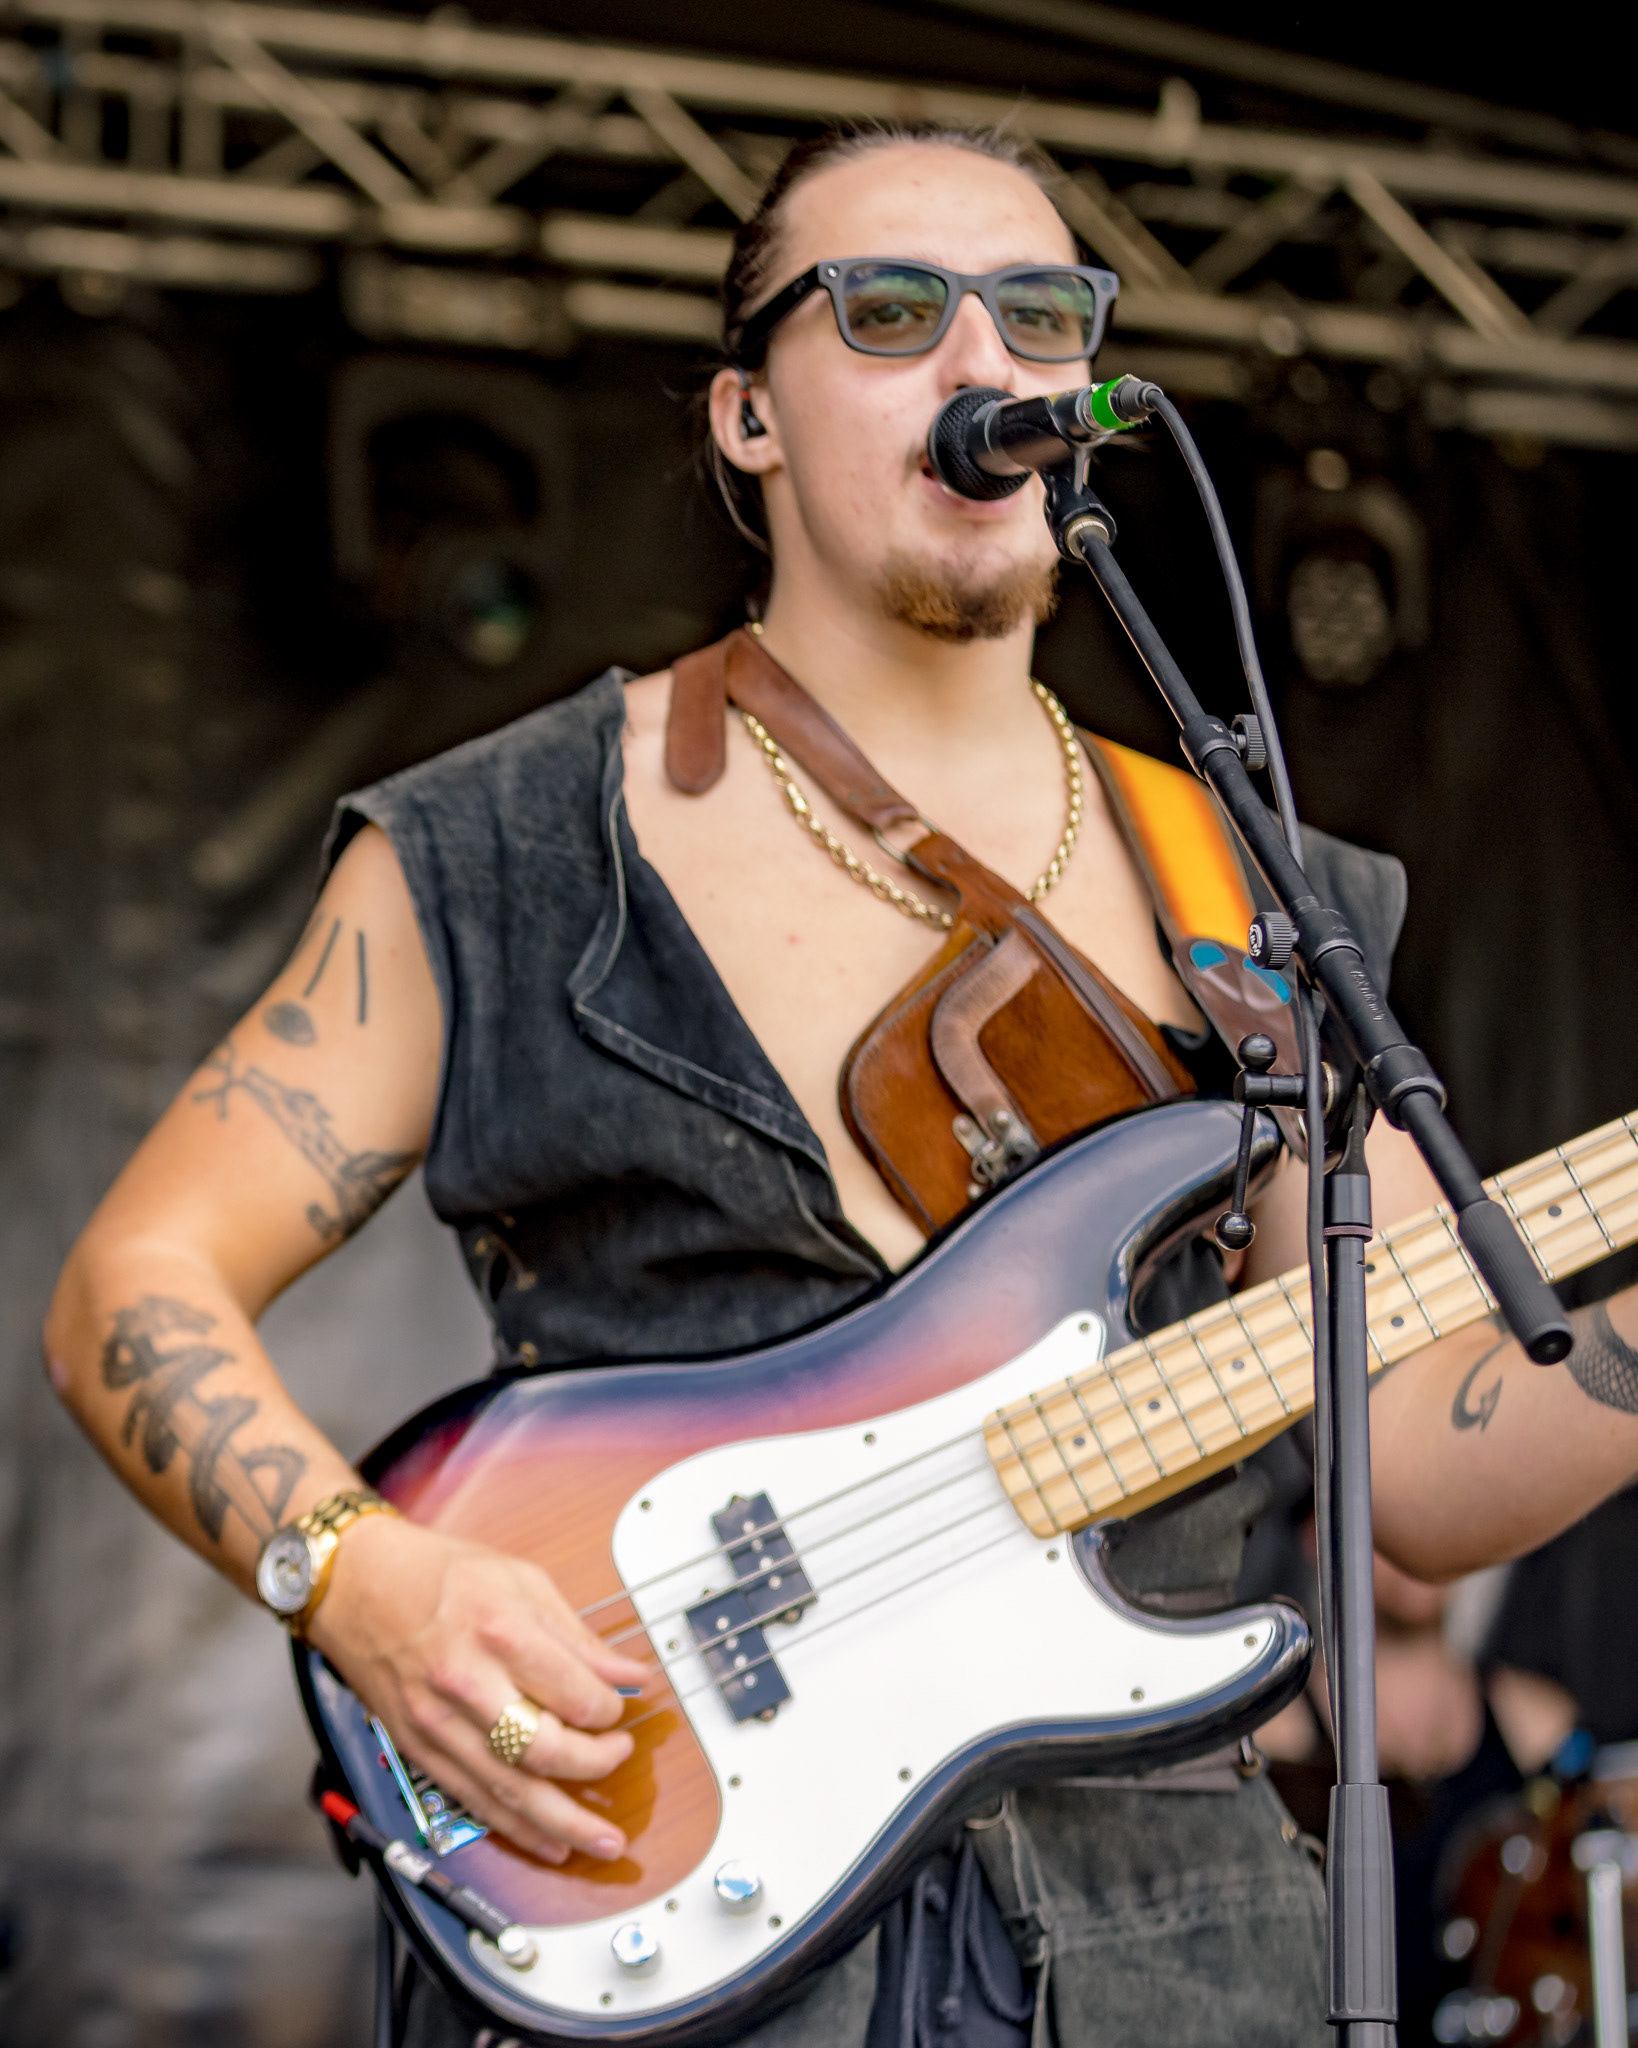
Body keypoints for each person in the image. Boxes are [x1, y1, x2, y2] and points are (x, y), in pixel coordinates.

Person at [43, 123, 1638, 2048]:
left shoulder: (1255, 891)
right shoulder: (503, 845)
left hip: (1173, 1948)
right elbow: (136, 1284)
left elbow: (1426, 1472)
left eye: (1041, 315)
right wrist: (356, 1579)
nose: (983, 363)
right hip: (670, 1903)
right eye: (890, 312)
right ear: (745, 418)